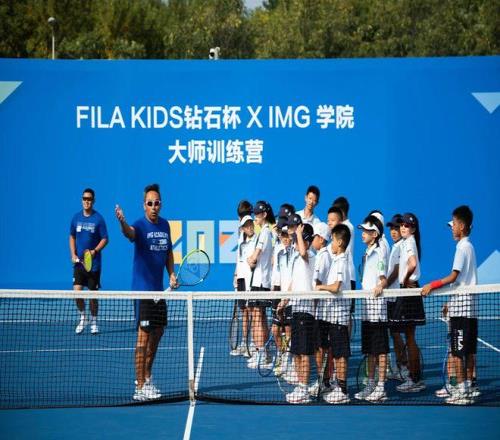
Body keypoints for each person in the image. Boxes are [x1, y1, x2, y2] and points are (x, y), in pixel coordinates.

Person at [115, 183, 178, 401]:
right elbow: (129, 233)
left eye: (156, 203)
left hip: (159, 292)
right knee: (142, 339)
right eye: (150, 203)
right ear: (144, 205)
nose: (153, 207)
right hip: (142, 292)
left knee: (158, 333)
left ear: (161, 204)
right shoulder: (139, 226)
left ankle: (147, 377)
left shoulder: (165, 225)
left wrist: (171, 273)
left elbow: (168, 252)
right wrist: (122, 222)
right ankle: (139, 386)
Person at [422, 205, 479, 405]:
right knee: (468, 352)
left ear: (461, 226)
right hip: (468, 309)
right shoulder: (470, 247)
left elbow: (453, 276)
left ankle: (461, 391)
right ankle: (468, 387)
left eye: (453, 224)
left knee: (457, 353)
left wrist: (432, 285)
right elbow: (461, 281)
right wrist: (449, 301)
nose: (451, 228)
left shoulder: (462, 248)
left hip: (461, 311)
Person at [278, 223, 316, 404]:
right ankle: (301, 386)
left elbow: (302, 252)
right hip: (295, 308)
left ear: (306, 240)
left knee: (304, 352)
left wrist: (299, 234)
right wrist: (284, 300)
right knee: (297, 352)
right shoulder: (296, 258)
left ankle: (304, 389)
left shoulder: (310, 256)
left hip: (306, 311)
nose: (294, 241)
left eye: (298, 239)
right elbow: (293, 283)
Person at [354, 215, 389, 403]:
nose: (362, 234)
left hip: (377, 311)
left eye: (366, 231)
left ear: (375, 234)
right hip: (366, 310)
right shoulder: (367, 252)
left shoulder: (380, 251)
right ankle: (370, 383)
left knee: (380, 350)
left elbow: (383, 279)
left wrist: (380, 286)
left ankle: (381, 387)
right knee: (369, 350)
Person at [315, 223, 352, 404]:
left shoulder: (342, 261)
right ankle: (331, 384)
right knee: (333, 352)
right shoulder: (335, 259)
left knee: (340, 354)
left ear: (340, 242)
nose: (331, 244)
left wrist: (320, 287)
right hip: (330, 315)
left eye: (333, 240)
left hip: (339, 316)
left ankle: (343, 391)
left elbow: (337, 287)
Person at [393, 213, 426, 393]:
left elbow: (412, 264)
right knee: (409, 336)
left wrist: (404, 280)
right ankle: (416, 377)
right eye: (402, 225)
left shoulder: (409, 243)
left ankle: (414, 379)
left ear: (413, 229)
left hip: (408, 291)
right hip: (408, 291)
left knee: (410, 337)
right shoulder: (409, 242)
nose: (403, 228)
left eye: (407, 225)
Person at [69, 188, 108, 335]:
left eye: (89, 199)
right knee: (77, 294)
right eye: (85, 198)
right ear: (82, 200)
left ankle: (94, 321)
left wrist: (94, 251)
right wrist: (73, 253)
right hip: (79, 264)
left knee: (93, 296)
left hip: (93, 265)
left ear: (93, 201)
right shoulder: (76, 218)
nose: (87, 201)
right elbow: (72, 236)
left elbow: (105, 239)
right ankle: (83, 317)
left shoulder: (99, 219)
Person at [246, 201, 275, 369]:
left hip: (261, 282)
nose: (255, 217)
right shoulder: (264, 232)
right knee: (260, 317)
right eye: (254, 213)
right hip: (260, 281)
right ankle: (263, 353)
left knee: (257, 318)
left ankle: (262, 354)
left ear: (264, 215)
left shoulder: (264, 232)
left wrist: (250, 260)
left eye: (257, 214)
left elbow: (254, 257)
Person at [385, 214, 410, 381]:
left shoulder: (402, 246)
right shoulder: (395, 246)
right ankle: (400, 364)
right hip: (391, 296)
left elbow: (396, 271)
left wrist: (383, 285)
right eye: (391, 228)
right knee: (394, 333)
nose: (393, 231)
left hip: (398, 296)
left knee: (398, 333)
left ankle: (405, 367)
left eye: (396, 228)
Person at [308, 222, 332, 397]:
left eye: (314, 237)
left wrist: (313, 305)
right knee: (321, 347)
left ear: (321, 239)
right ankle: (324, 380)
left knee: (321, 348)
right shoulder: (322, 255)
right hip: (321, 310)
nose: (312, 240)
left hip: (322, 311)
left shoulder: (323, 257)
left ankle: (324, 381)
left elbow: (317, 284)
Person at [231, 213, 258, 357]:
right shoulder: (241, 241)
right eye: (246, 226)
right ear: (242, 228)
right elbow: (239, 261)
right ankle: (244, 342)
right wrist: (235, 275)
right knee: (244, 313)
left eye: (251, 224)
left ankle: (253, 344)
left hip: (251, 281)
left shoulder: (256, 241)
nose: (250, 227)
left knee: (252, 312)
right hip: (241, 280)